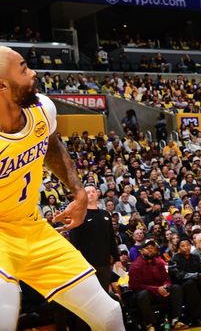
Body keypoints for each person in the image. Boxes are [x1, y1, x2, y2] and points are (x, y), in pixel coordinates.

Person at [0, 46, 124, 331]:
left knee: (109, 315)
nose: (33, 73)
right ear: (2, 85)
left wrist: (78, 191)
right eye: (23, 68)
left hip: (33, 228)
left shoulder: (43, 108)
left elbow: (51, 146)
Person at [128, 239, 187, 330]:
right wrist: (156, 289)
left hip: (160, 291)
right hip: (146, 293)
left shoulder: (159, 262)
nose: (150, 250)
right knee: (143, 295)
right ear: (141, 251)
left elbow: (166, 278)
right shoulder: (136, 265)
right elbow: (135, 286)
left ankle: (175, 320)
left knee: (176, 288)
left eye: (152, 248)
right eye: (147, 248)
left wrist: (165, 286)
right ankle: (149, 324)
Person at [167, 236, 201, 327]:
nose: (186, 247)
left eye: (188, 245)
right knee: (191, 283)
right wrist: (198, 275)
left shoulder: (196, 257)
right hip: (181, 286)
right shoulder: (174, 259)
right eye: (183, 246)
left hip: (197, 281)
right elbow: (179, 275)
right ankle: (195, 319)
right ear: (179, 248)